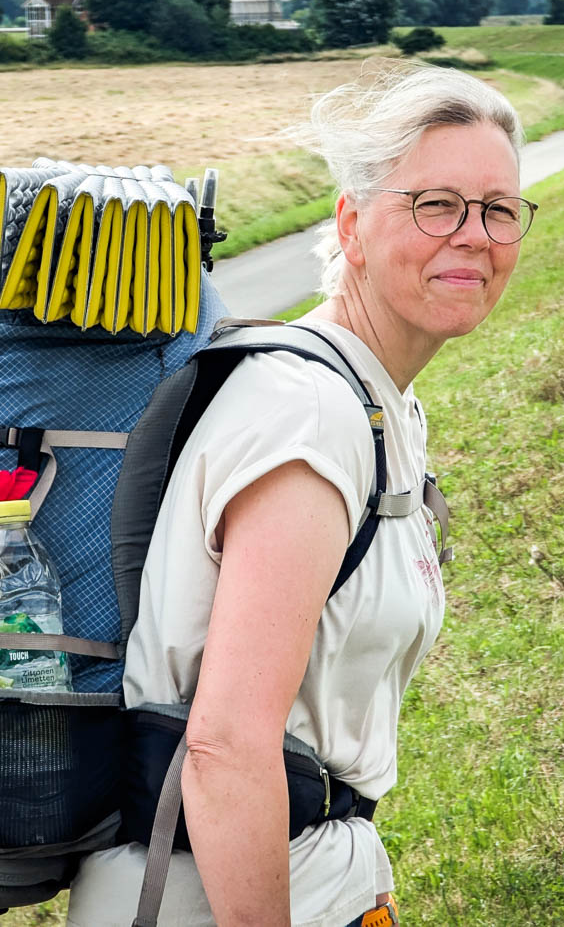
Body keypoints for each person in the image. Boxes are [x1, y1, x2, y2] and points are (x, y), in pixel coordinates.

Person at [67, 61, 534, 927]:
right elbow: (225, 747)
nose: (473, 234)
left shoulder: (378, 401)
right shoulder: (308, 414)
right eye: (435, 204)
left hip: (312, 876)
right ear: (352, 226)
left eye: (499, 209)